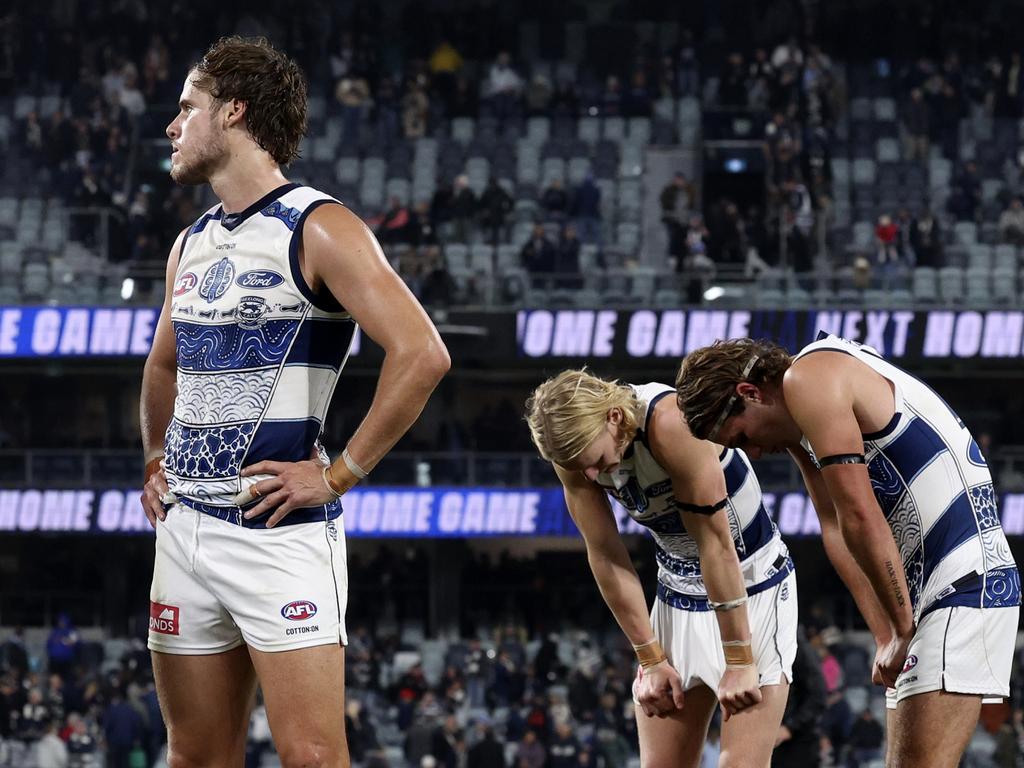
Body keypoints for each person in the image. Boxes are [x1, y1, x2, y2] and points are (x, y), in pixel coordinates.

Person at [139, 36, 450, 768]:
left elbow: (422, 354)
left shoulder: (318, 226)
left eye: (187, 107)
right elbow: (161, 367)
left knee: (311, 756)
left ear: (235, 111)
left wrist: (339, 474)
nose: (172, 125)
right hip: (184, 530)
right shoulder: (189, 244)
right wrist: (154, 454)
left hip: (277, 534)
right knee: (194, 757)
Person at [677, 334, 1021, 768]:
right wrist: (884, 633)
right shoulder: (802, 421)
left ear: (750, 392)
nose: (755, 453)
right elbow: (835, 528)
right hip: (936, 589)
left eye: (743, 437)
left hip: (967, 579)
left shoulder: (810, 378)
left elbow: (859, 515)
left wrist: (900, 629)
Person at [525, 369, 797, 768]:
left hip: (751, 583)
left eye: (595, 461)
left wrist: (739, 660)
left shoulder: (672, 424)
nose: (591, 475)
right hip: (677, 591)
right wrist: (650, 659)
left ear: (614, 417)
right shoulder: (574, 453)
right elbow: (606, 555)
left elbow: (716, 546)